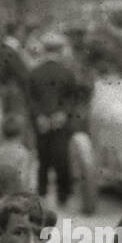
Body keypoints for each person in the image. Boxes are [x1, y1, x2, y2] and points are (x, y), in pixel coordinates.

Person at [27, 33, 79, 206]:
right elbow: (72, 98)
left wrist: (39, 116)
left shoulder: (35, 73)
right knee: (62, 158)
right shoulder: (67, 73)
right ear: (60, 50)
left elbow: (30, 99)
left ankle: (42, 193)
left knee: (43, 158)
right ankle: (63, 195)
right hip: (60, 122)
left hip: (41, 123)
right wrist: (63, 114)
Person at [0, 114, 36, 198]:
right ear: (21, 134)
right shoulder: (22, 152)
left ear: (2, 133)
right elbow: (25, 177)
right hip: (16, 193)